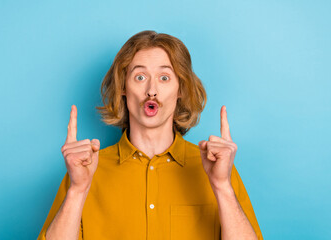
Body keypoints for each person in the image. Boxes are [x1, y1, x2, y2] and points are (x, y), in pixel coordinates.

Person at [37, 30, 263, 240]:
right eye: (140, 77)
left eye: (164, 77)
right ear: (123, 87)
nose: (151, 90)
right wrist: (77, 190)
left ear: (181, 90)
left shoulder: (219, 170)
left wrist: (222, 186)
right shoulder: (84, 171)